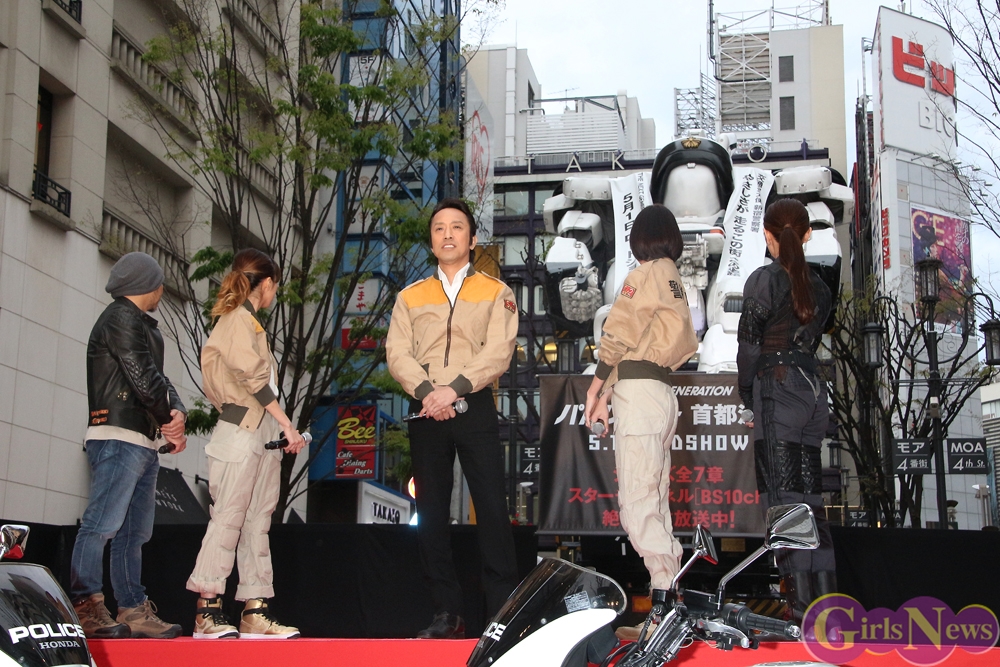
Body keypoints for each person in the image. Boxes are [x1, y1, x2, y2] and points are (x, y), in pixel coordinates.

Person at [386, 198, 520, 639]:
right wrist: (429, 392)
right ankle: (447, 613)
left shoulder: (497, 292)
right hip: (426, 407)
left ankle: (501, 613)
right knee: (431, 513)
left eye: (457, 227)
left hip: (473, 404)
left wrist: (455, 389)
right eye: (439, 228)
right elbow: (397, 353)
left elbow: (498, 351)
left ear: (472, 238)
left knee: (493, 510)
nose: (447, 234)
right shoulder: (409, 297)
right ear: (431, 241)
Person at [584, 204, 699, 641]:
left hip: (642, 396)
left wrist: (596, 384)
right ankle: (668, 601)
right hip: (660, 392)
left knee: (637, 504)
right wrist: (606, 394)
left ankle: (666, 603)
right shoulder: (674, 280)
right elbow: (662, 346)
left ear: (639, 240)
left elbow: (620, 330)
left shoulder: (645, 274)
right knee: (655, 501)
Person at [185, 249, 306, 639]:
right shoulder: (237, 319)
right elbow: (252, 378)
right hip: (242, 429)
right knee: (229, 517)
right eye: (275, 287)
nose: (275, 293)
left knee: (257, 521)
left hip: (257, 430)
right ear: (266, 284)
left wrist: (279, 427)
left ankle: (255, 610)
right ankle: (207, 610)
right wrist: (286, 424)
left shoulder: (248, 323)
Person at [71, 251, 187, 639]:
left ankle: (132, 608)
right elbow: (144, 379)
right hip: (117, 435)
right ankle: (86, 604)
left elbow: (158, 379)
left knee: (133, 533)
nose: (162, 290)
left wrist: (177, 413)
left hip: (141, 440)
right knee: (101, 524)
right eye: (159, 283)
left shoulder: (142, 325)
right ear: (147, 285)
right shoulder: (121, 318)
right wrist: (171, 422)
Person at [736, 198, 836, 622]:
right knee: (810, 500)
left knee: (782, 501)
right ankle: (826, 610)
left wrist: (747, 395)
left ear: (767, 235)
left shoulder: (763, 280)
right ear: (808, 234)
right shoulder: (822, 289)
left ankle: (799, 613)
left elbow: (749, 347)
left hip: (777, 389)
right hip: (813, 393)